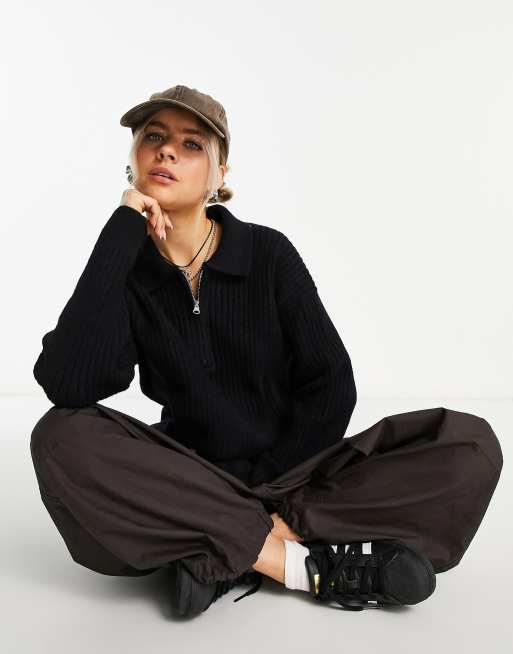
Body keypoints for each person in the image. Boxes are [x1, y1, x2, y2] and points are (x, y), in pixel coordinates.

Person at [30, 85, 503, 619]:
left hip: (297, 472)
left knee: (470, 446)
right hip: (191, 475)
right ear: (134, 158)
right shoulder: (128, 271)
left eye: (191, 144)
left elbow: (330, 383)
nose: (166, 152)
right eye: (153, 138)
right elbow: (67, 384)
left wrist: (273, 490)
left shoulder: (267, 253)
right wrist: (120, 233)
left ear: (220, 174)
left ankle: (218, 548)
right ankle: (301, 563)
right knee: (58, 436)